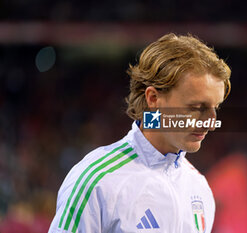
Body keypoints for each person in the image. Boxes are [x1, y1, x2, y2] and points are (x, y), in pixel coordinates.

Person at [48, 33, 231, 233]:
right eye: (197, 107)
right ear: (153, 98)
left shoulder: (199, 188)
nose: (211, 123)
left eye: (216, 108)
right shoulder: (96, 181)